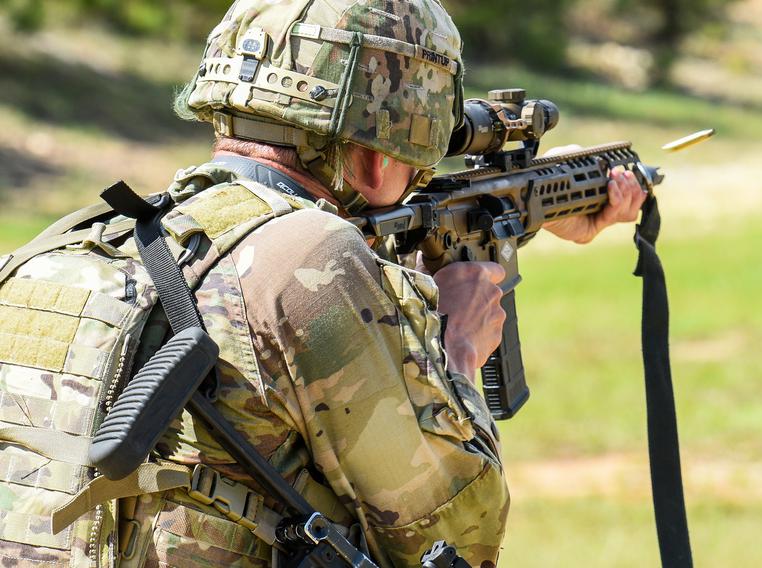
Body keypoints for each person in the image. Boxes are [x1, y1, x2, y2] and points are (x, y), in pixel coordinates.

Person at [0, 1, 646, 566]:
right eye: (420, 159)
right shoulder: (309, 260)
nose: (421, 176)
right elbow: (453, 536)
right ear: (377, 150)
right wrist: (456, 348)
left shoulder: (76, 243)